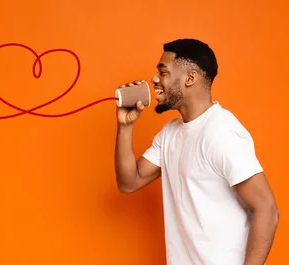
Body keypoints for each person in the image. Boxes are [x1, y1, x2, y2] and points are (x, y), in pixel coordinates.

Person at [114, 38, 279, 265]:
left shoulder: (222, 132)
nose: (154, 79)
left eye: (163, 72)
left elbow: (267, 209)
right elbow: (129, 182)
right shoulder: (170, 133)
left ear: (190, 78)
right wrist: (125, 126)